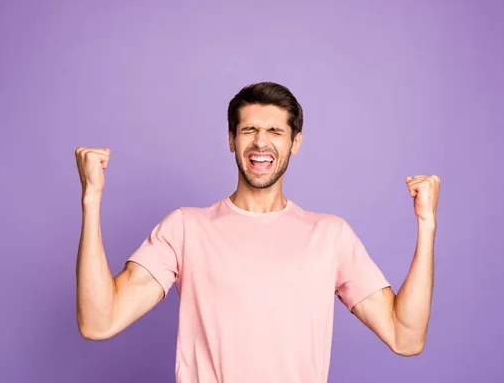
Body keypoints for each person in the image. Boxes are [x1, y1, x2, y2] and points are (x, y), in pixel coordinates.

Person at [74, 82, 440, 382]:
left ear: (295, 143)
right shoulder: (186, 228)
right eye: (249, 129)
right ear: (232, 140)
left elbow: (405, 337)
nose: (261, 142)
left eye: (275, 131)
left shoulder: (330, 235)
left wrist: (427, 225)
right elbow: (99, 321)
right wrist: (91, 200)